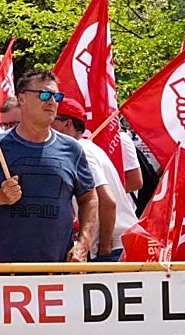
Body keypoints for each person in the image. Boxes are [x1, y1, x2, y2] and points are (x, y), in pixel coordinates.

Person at [0, 70, 97, 263]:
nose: (51, 101)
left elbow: (89, 199)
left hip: (60, 270)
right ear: (22, 99)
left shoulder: (72, 149)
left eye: (56, 96)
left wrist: (83, 245)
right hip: (9, 272)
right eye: (44, 95)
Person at [51, 97, 136, 261]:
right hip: (116, 244)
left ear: (68, 124)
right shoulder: (89, 148)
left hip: (113, 248)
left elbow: (108, 201)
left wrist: (104, 248)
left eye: (51, 122)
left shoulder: (82, 151)